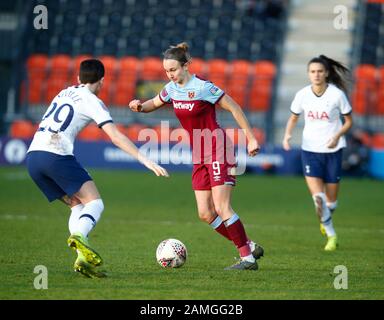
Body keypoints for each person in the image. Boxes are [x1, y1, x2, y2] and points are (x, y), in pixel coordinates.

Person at [26, 59, 169, 278]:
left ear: (78, 78)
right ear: (102, 81)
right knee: (95, 203)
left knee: (76, 205)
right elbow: (115, 136)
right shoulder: (92, 101)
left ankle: (82, 258)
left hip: (33, 158)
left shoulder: (63, 93)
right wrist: (145, 160)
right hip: (55, 155)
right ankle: (80, 237)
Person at [129, 42, 264, 270]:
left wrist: (250, 138)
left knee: (222, 207)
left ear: (186, 66)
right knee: (205, 213)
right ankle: (248, 245)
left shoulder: (203, 87)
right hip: (200, 152)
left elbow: (234, 107)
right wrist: (140, 106)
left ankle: (247, 259)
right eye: (166, 71)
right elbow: (154, 103)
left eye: (173, 70)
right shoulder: (171, 89)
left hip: (218, 148)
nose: (169, 74)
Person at [282, 55, 353, 251]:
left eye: (320, 71)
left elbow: (348, 121)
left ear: (327, 73)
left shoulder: (337, 95)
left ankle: (325, 219)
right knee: (318, 199)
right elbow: (293, 118)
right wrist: (287, 136)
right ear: (308, 74)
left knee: (331, 202)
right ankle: (332, 236)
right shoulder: (303, 94)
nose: (316, 74)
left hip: (333, 151)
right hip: (310, 151)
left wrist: (337, 136)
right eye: (312, 71)